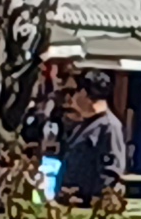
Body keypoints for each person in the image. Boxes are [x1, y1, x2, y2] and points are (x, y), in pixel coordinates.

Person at [54, 78, 129, 211]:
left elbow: (110, 171)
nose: (72, 98)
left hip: (85, 206)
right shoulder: (84, 124)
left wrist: (95, 203)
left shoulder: (109, 127)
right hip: (69, 203)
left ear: (84, 93)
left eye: (75, 92)